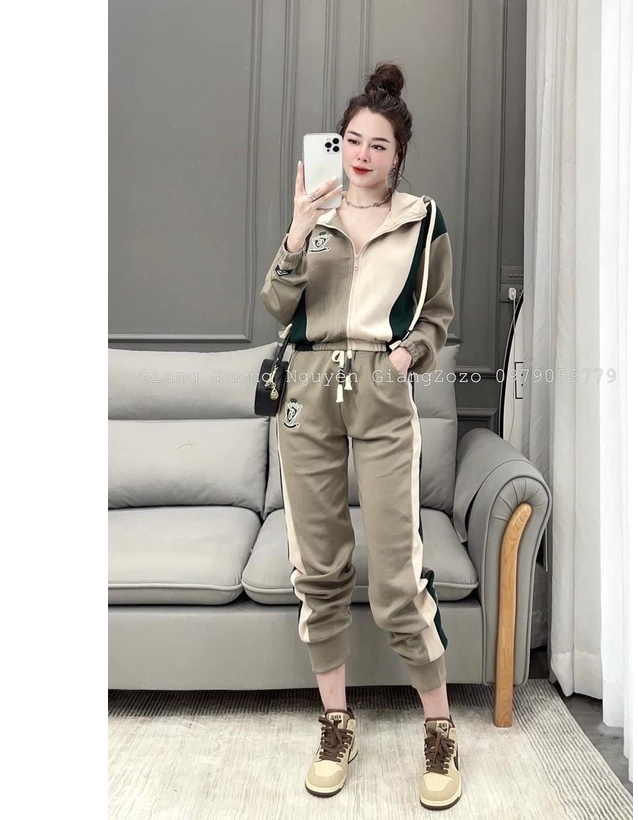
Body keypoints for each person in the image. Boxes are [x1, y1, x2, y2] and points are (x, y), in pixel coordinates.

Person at [260, 62, 460, 811]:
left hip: (380, 387)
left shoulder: (423, 219)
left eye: (379, 143)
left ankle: (439, 730)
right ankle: (336, 724)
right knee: (318, 568)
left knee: (398, 576)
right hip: (309, 388)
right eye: (352, 140)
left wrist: (407, 356)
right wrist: (297, 230)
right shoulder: (315, 212)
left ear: (398, 153)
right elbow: (276, 304)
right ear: (337, 143)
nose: (363, 154)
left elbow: (436, 313)